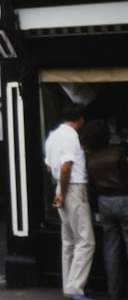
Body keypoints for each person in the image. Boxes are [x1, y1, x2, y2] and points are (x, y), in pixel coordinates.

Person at [45, 103, 95, 300]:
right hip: (72, 188)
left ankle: (69, 285)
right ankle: (75, 288)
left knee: (68, 240)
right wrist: (64, 193)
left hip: (60, 185)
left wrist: (59, 191)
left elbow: (50, 168)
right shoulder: (71, 136)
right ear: (81, 120)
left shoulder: (53, 136)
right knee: (86, 240)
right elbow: (66, 167)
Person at [83, 118, 128, 300]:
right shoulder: (118, 154)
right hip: (123, 199)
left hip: (104, 202)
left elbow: (92, 187)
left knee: (111, 249)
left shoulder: (91, 160)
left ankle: (114, 292)